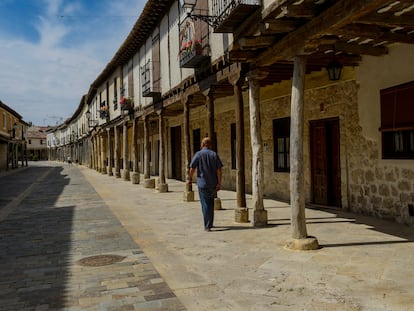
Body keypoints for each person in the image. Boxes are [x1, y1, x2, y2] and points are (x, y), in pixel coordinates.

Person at [189, 137, 223, 232]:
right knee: (210, 204)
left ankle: (207, 225)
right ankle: (210, 223)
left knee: (205, 204)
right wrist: (219, 182)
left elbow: (192, 167)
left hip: (202, 183)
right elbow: (219, 170)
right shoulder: (214, 154)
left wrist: (190, 178)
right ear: (210, 144)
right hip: (213, 183)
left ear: (203, 144)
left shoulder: (198, 154)